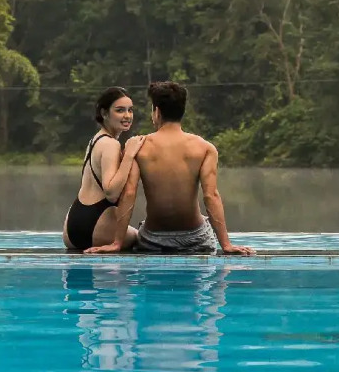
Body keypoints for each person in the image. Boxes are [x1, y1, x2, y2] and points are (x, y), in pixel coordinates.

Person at [88, 80, 253, 256]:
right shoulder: (205, 148)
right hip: (195, 239)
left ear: (156, 112)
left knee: (141, 229)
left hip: (153, 239)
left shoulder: (139, 146)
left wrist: (117, 243)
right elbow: (210, 196)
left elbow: (129, 193)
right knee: (203, 222)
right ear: (182, 111)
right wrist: (226, 245)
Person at [62, 87, 145, 253]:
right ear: (105, 113)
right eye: (120, 110)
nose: (127, 116)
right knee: (145, 238)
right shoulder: (110, 144)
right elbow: (111, 192)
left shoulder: (95, 139)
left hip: (72, 227)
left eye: (130, 110)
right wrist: (129, 155)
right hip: (95, 225)